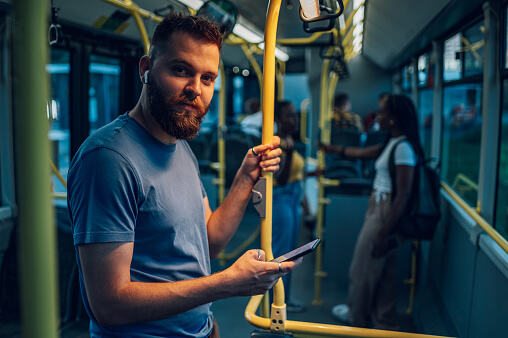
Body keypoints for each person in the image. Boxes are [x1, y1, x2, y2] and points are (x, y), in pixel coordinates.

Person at [67, 14, 301, 338]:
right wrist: (225, 284)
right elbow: (109, 304)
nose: (195, 90)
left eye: (207, 78)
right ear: (146, 69)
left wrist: (246, 176)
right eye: (181, 71)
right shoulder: (109, 160)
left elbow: (209, 243)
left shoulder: (178, 145)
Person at [320, 94, 423, 330]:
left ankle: (357, 320)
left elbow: (403, 196)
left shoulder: (403, 149)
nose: (378, 116)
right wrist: (333, 149)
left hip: (385, 211)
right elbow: (364, 153)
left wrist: (384, 233)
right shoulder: (392, 143)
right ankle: (384, 322)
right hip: (379, 206)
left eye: (383, 113)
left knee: (361, 269)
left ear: (395, 119)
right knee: (384, 273)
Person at [272, 101, 306, 313]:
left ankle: (286, 297)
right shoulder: (277, 144)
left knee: (292, 252)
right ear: (277, 119)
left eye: (295, 116)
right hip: (281, 198)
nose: (294, 120)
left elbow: (294, 174)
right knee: (281, 253)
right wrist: (291, 153)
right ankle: (275, 302)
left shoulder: (289, 140)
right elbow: (282, 179)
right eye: (289, 116)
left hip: (293, 197)